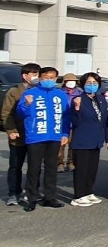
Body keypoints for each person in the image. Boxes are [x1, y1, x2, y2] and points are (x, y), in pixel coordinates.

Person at [17, 66, 70, 211]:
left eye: (52, 78)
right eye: (46, 77)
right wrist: (27, 104)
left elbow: (66, 116)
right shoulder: (30, 93)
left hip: (54, 136)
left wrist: (65, 133)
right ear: (40, 78)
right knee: (34, 168)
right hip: (36, 136)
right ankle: (32, 198)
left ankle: (49, 197)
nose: (49, 80)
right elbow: (20, 113)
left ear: (56, 79)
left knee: (51, 168)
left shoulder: (60, 94)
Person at [69, 73, 108, 206]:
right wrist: (76, 108)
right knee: (82, 168)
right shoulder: (78, 99)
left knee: (92, 168)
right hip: (82, 139)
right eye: (89, 83)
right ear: (82, 84)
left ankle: (88, 191)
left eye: (95, 83)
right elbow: (74, 122)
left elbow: (105, 121)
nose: (92, 85)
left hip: (96, 139)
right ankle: (78, 195)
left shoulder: (100, 98)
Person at [2, 62, 40, 206]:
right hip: (19, 134)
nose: (36, 77)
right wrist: (11, 130)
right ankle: (14, 193)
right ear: (25, 76)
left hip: (36, 135)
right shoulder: (15, 92)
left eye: (38, 74)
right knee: (16, 166)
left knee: (34, 165)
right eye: (34, 74)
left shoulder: (40, 90)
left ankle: (32, 192)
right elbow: (6, 113)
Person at [57, 72, 81, 173]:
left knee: (72, 144)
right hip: (60, 122)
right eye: (68, 81)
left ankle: (71, 162)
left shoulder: (79, 94)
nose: (71, 83)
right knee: (60, 145)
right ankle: (59, 163)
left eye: (73, 81)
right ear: (64, 82)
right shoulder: (59, 93)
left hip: (73, 123)